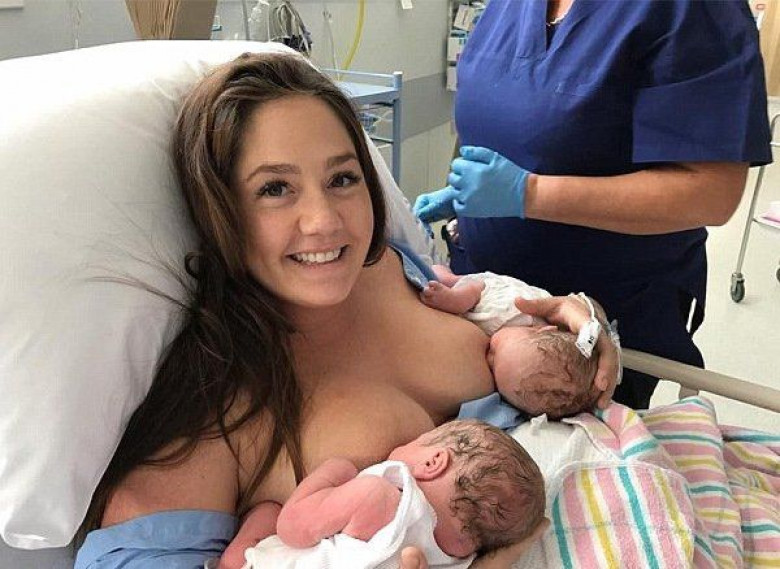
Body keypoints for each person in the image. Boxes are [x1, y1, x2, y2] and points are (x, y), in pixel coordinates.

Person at [74, 52, 613, 569]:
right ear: (222, 211)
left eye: (342, 179)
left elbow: (519, 321)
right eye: (275, 188)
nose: (325, 221)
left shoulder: (399, 268)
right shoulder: (211, 413)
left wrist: (579, 332)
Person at [413, 0, 772, 410]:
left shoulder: (691, 10)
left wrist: (529, 194)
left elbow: (710, 192)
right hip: (480, 297)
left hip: (591, 326)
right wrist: (465, 197)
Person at [217, 420, 545, 569]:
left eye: (420, 439)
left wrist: (334, 472)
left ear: (432, 462)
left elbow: (293, 527)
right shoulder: (457, 560)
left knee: (267, 514)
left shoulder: (379, 496)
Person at [420, 265, 602, 420]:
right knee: (443, 276)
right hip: (480, 287)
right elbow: (481, 288)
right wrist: (456, 300)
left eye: (492, 368)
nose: (489, 358)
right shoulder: (508, 313)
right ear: (540, 329)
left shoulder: (522, 347)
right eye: (495, 351)